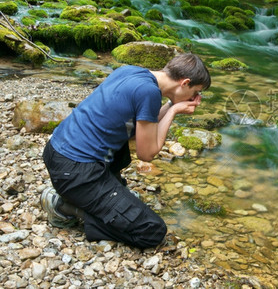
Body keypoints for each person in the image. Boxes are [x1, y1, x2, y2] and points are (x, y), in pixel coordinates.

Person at [41, 53, 211, 248]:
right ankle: (64, 207)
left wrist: (172, 103)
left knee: (123, 157)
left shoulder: (133, 72)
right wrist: (173, 111)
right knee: (151, 231)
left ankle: (99, 201)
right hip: (76, 171)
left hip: (57, 152)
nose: (195, 98)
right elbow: (146, 153)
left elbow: (146, 123)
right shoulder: (149, 92)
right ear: (185, 82)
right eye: (195, 92)